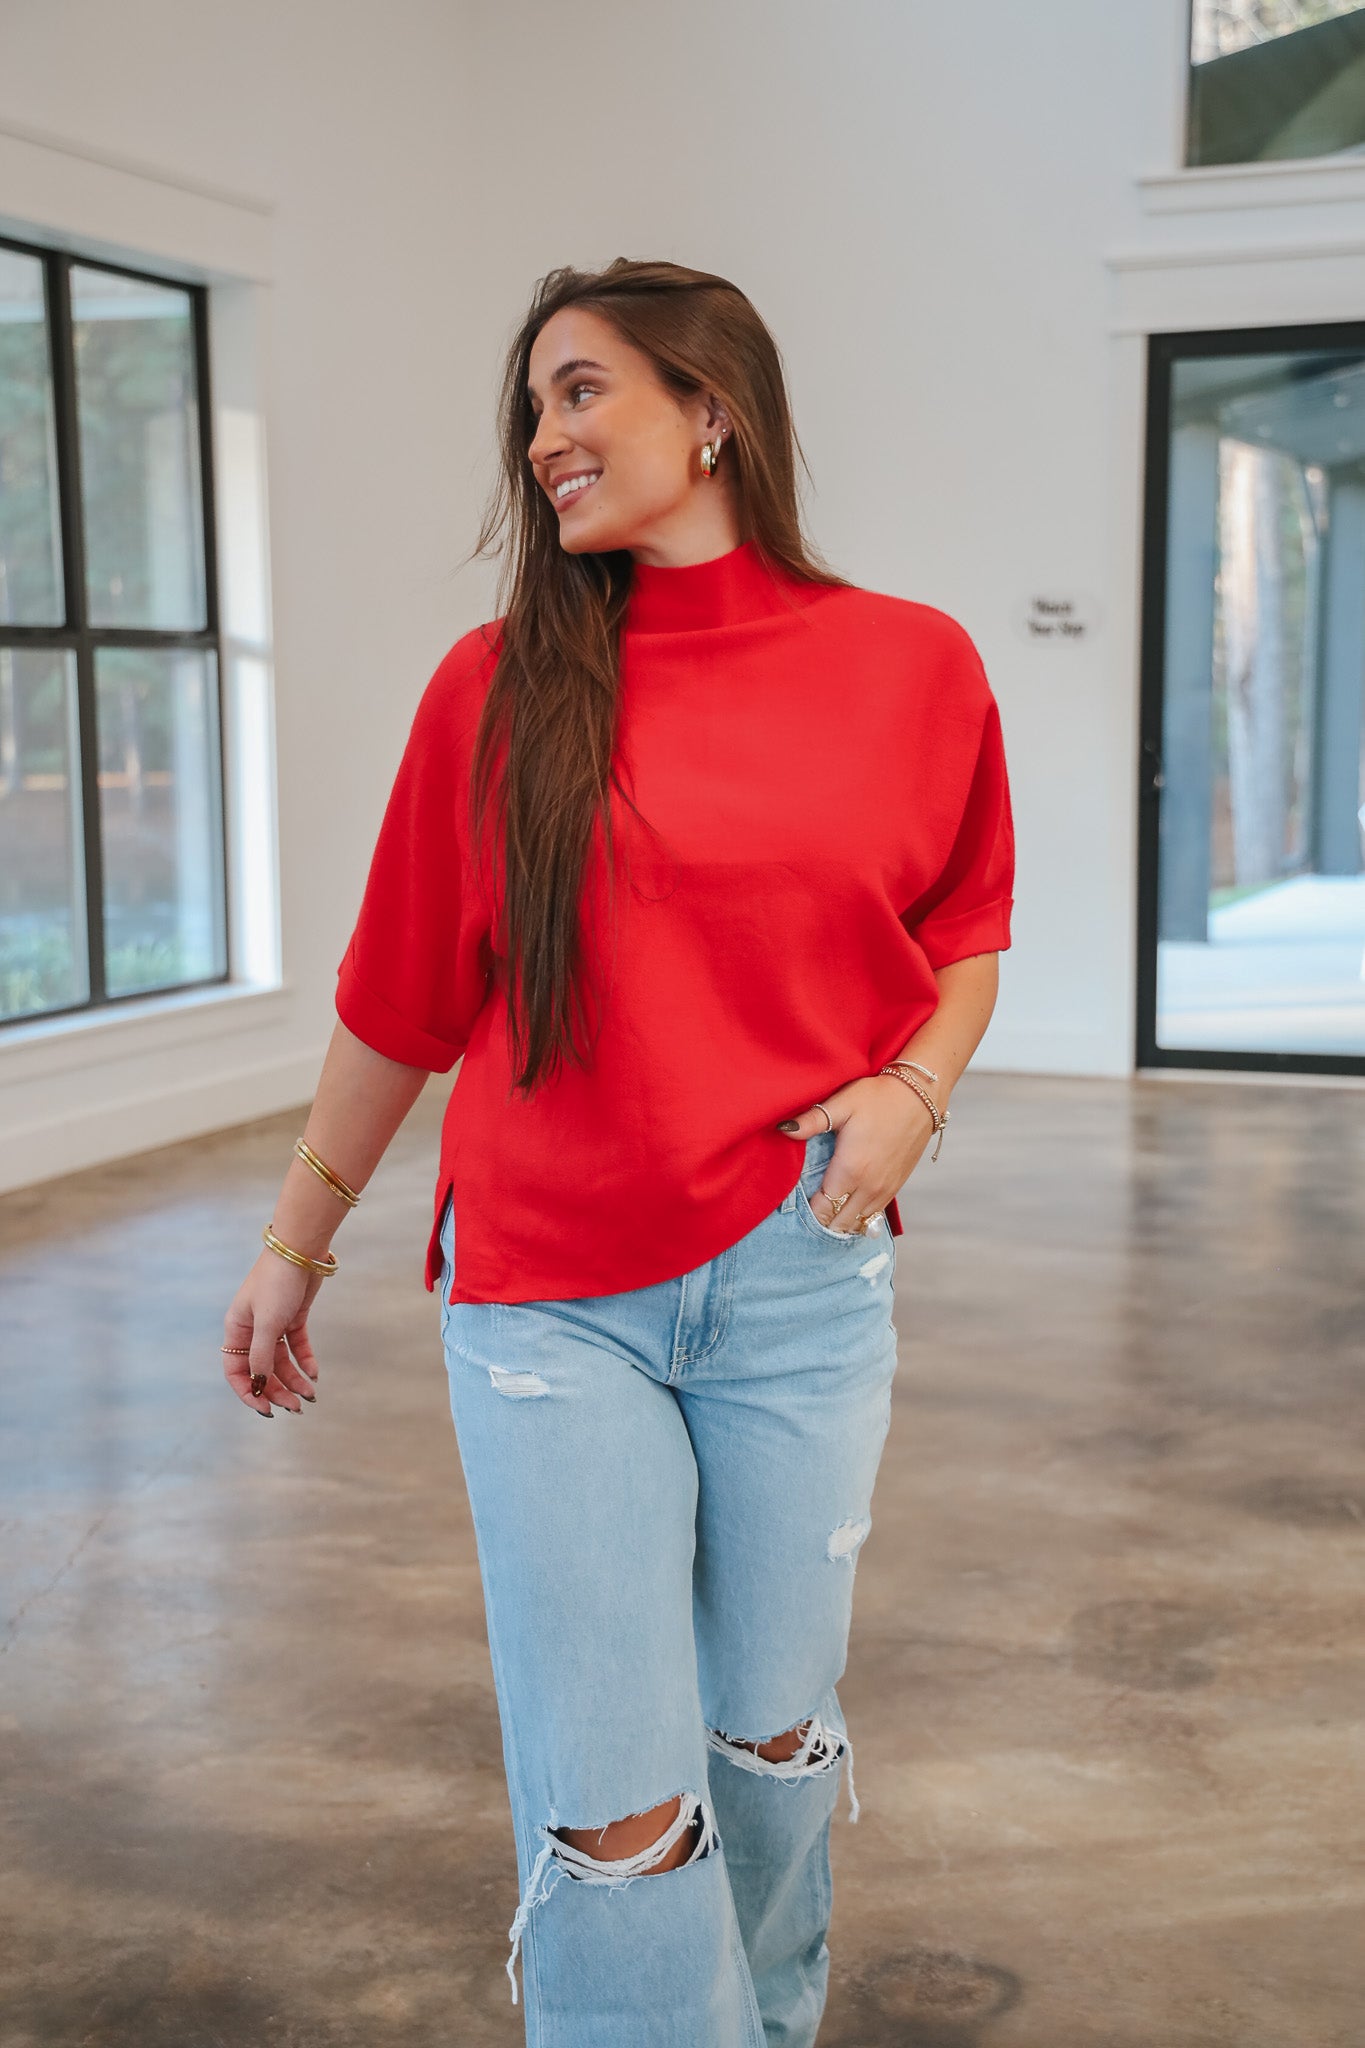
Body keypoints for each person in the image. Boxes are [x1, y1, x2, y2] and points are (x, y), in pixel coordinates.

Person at [222, 257, 1014, 2048]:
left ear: (708, 405)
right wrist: (297, 1238)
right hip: (549, 1305)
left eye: (580, 391)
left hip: (805, 1270)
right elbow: (400, 1000)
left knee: (773, 1746)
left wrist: (918, 1087)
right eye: (532, 408)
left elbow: (965, 920)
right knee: (614, 1817)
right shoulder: (492, 687)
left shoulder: (909, 661)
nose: (544, 437)